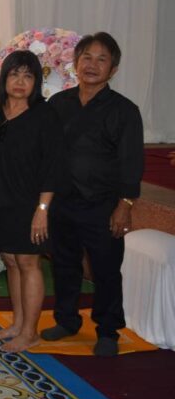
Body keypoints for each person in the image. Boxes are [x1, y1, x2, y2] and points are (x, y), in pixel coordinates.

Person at [43, 32, 144, 357]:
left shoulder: (125, 110)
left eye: (102, 59)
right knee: (64, 265)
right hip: (63, 202)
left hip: (103, 205)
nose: (92, 65)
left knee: (106, 270)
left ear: (113, 69)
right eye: (86, 57)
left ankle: (108, 331)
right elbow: (46, 153)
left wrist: (124, 205)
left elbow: (132, 162)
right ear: (75, 63)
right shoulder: (59, 104)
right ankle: (66, 320)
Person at [0, 50, 63, 353]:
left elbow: (53, 166)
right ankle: (17, 324)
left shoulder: (45, 115)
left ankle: (30, 332)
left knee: (28, 262)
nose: (20, 81)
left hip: (30, 204)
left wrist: (42, 210)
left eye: (28, 76)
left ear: (36, 82)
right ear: (4, 78)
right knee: (11, 261)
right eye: (14, 74)